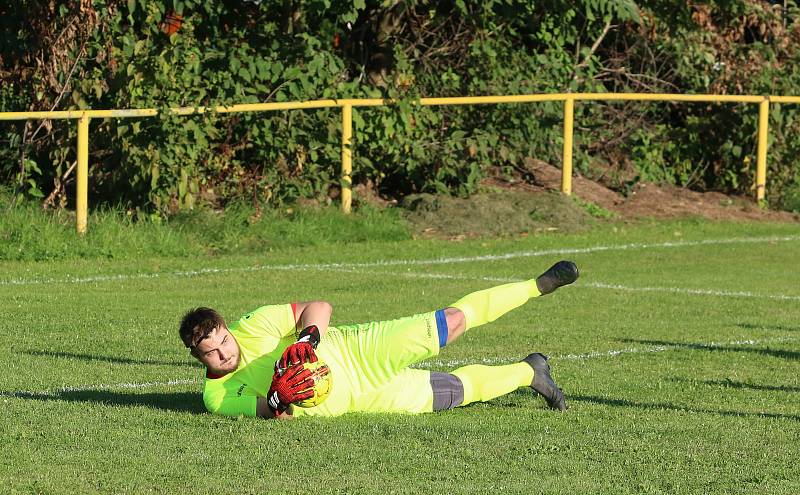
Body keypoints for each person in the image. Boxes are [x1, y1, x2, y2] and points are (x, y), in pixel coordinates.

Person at [179, 260, 579, 419]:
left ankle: (536, 285)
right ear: (199, 359)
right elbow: (270, 417)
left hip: (359, 349)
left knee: (452, 321)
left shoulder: (255, 324)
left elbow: (318, 306)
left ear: (228, 328)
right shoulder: (216, 397)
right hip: (359, 399)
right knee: (453, 391)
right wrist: (279, 397)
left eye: (224, 341)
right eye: (211, 353)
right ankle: (530, 373)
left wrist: (308, 341)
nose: (223, 353)